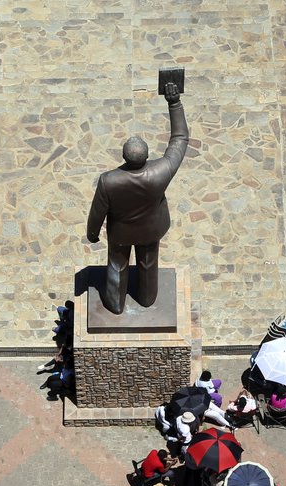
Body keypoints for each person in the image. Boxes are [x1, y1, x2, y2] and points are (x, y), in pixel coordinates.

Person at [86, 81, 189, 314]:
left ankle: (115, 304)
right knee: (148, 263)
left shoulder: (108, 180)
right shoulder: (162, 171)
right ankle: (147, 299)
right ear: (147, 155)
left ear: (123, 156)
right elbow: (180, 138)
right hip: (151, 231)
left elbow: (97, 212)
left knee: (117, 266)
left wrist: (92, 234)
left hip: (120, 234)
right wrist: (174, 103)